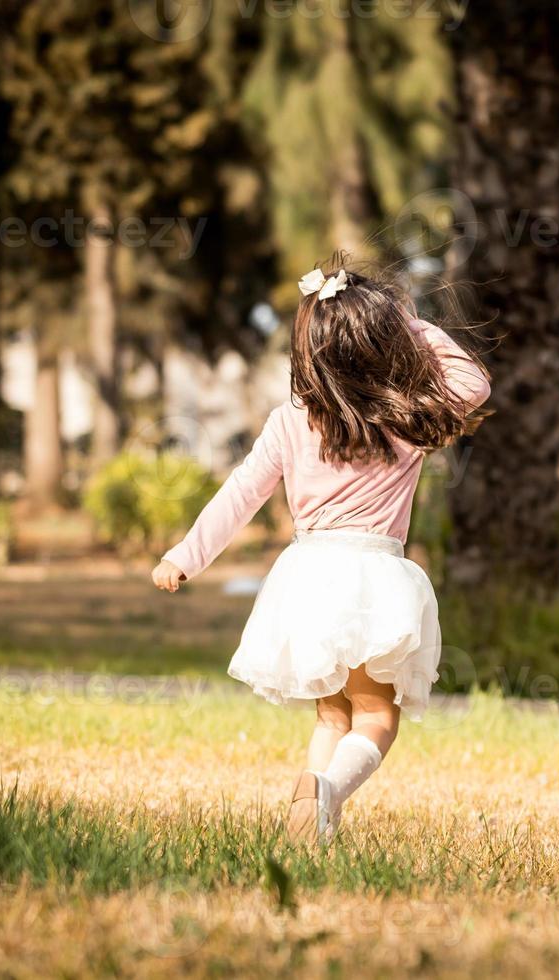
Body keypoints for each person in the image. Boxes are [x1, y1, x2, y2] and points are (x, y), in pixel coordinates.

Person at [151, 260, 490, 843]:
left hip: (305, 579)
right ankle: (328, 793)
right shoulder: (403, 419)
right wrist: (411, 325)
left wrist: (185, 555)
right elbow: (474, 382)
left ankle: (304, 823)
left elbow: (241, 494)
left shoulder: (289, 421)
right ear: (381, 344)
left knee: (332, 714)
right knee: (378, 715)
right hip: (371, 581)